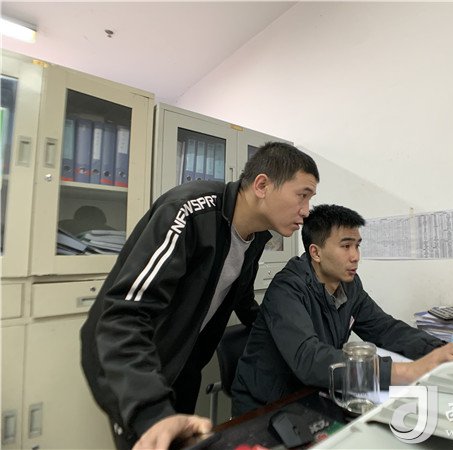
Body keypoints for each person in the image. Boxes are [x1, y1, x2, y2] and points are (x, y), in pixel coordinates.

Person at [80, 142, 319, 450]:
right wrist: (151, 412)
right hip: (130, 363)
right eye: (302, 195)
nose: (306, 210)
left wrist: (276, 331)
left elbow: (241, 296)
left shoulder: (257, 235)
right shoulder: (190, 210)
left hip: (183, 360)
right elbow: (122, 316)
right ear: (262, 185)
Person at [231, 204, 453, 415]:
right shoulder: (286, 289)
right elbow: (310, 360)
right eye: (346, 246)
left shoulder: (350, 286)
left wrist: (441, 352)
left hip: (313, 395)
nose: (355, 256)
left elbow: (386, 329)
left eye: (357, 246)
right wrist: (411, 371)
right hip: (266, 407)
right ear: (315, 252)